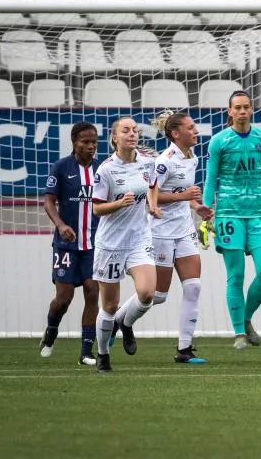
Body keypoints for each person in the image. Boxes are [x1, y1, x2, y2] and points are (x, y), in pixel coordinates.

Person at [201, 90, 261, 350]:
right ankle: (239, 332)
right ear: (229, 111)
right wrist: (206, 215)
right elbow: (210, 179)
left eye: (246, 107)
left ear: (251, 110)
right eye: (237, 107)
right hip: (229, 214)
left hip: (259, 214)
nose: (242, 111)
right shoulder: (219, 141)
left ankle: (246, 317)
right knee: (236, 275)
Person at [91, 117, 161, 372]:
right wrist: (118, 204)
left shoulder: (147, 162)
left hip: (139, 239)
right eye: (126, 131)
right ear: (114, 138)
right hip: (111, 243)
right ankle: (102, 354)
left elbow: (152, 185)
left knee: (147, 294)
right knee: (109, 306)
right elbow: (97, 209)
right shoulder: (106, 170)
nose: (132, 134)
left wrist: (152, 205)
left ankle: (126, 322)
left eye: (135, 130)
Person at [149, 110, 214, 364]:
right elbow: (151, 197)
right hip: (161, 231)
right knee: (157, 296)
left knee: (193, 286)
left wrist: (197, 206)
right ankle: (120, 320)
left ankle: (184, 349)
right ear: (175, 134)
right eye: (190, 128)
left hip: (184, 230)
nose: (196, 131)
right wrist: (184, 196)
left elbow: (185, 195)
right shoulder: (164, 161)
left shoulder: (192, 158)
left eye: (195, 127)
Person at [39, 122, 101, 365]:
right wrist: (61, 225)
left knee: (92, 292)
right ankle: (51, 330)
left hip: (94, 244)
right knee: (63, 300)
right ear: (74, 142)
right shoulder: (61, 167)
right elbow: (49, 201)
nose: (91, 146)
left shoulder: (102, 168)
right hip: (66, 245)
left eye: (94, 141)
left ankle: (86, 352)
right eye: (85, 142)